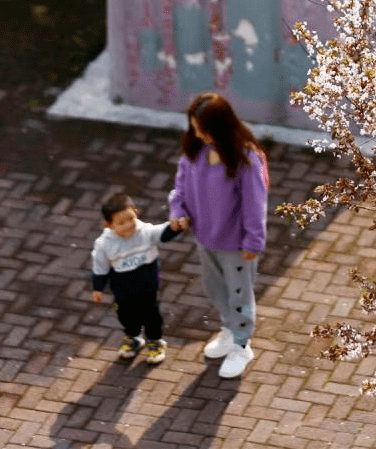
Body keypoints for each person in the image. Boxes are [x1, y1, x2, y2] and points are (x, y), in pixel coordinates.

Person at [169, 92, 269, 378]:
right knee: (216, 288)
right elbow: (181, 187)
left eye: (203, 129)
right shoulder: (195, 153)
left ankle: (241, 344)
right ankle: (229, 328)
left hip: (236, 245)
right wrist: (178, 210)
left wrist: (253, 241)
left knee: (239, 292)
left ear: (221, 127)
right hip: (205, 238)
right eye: (195, 128)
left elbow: (255, 204)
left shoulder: (246, 159)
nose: (198, 134)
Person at [91, 192, 183, 364]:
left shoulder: (145, 232)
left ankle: (155, 341)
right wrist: (98, 288)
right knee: (126, 315)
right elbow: (100, 268)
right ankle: (133, 337)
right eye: (121, 223)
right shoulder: (104, 244)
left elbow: (163, 232)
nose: (128, 225)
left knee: (151, 315)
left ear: (136, 212)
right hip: (122, 290)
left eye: (130, 219)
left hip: (147, 287)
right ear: (108, 225)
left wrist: (177, 226)